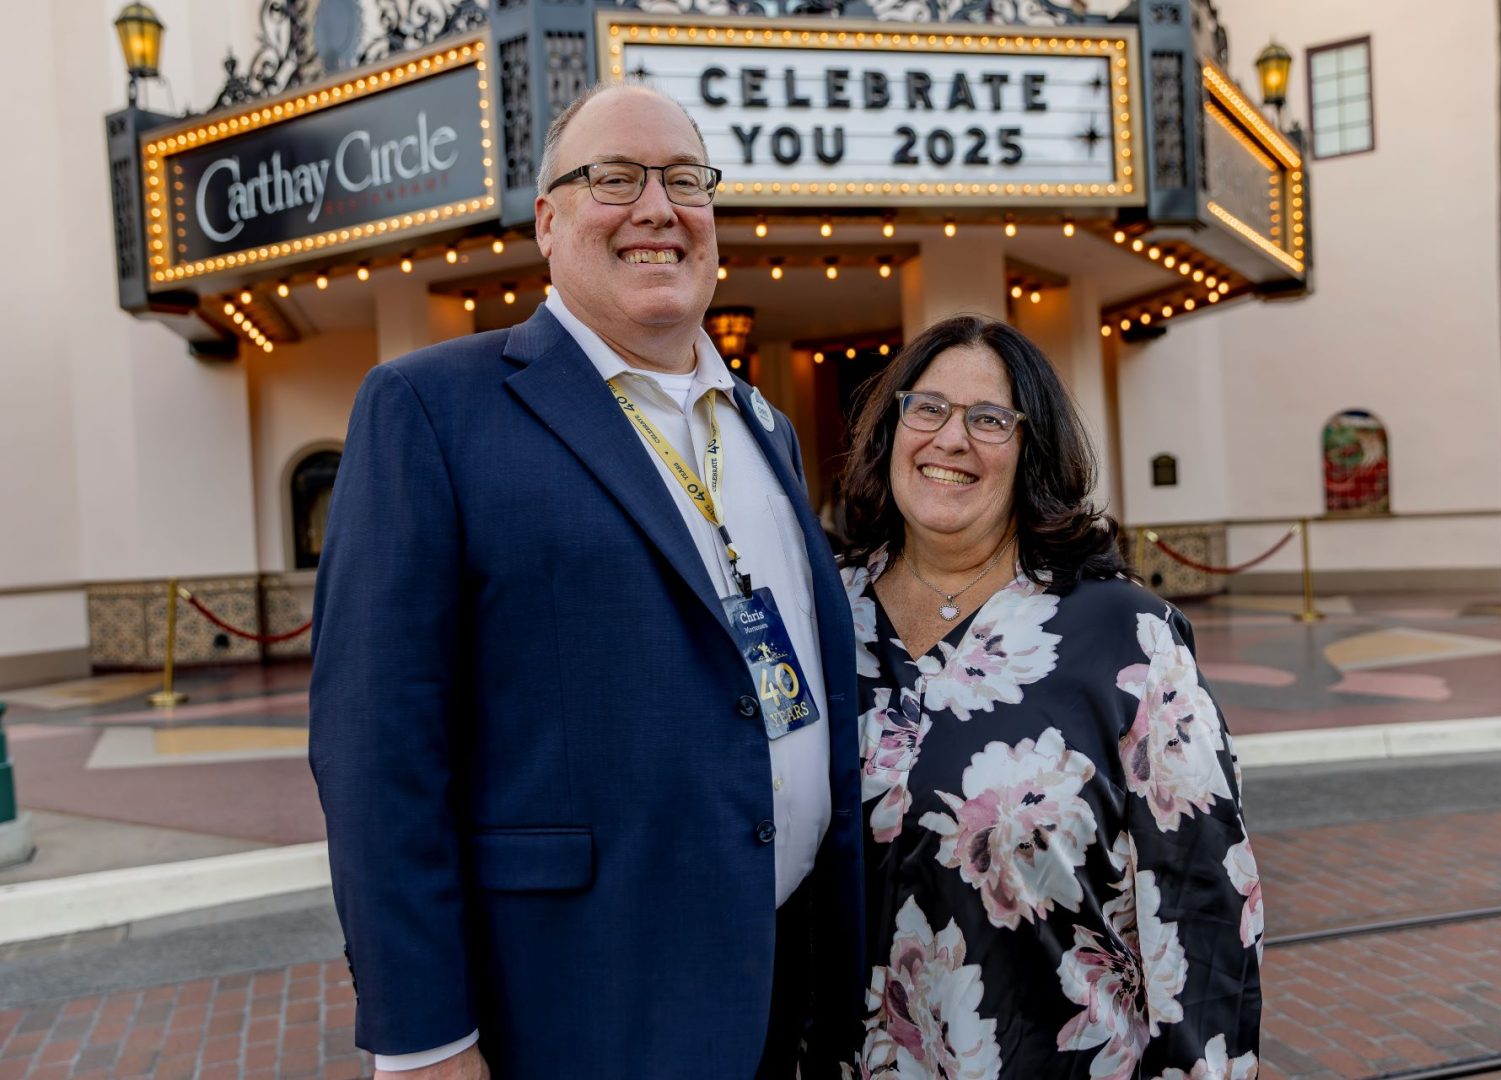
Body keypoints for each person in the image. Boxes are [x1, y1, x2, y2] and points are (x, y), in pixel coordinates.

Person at [309, 83, 863, 1078]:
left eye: (685, 180)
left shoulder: (759, 424)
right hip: (580, 1003)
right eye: (614, 179)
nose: (657, 207)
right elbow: (375, 752)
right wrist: (424, 1039)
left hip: (787, 982)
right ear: (547, 222)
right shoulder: (430, 412)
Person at [836, 315, 1262, 1079]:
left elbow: (1203, 895)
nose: (950, 439)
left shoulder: (1125, 634)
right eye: (926, 407)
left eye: (990, 419)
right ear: (890, 428)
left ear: (1033, 450)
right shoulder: (823, 617)